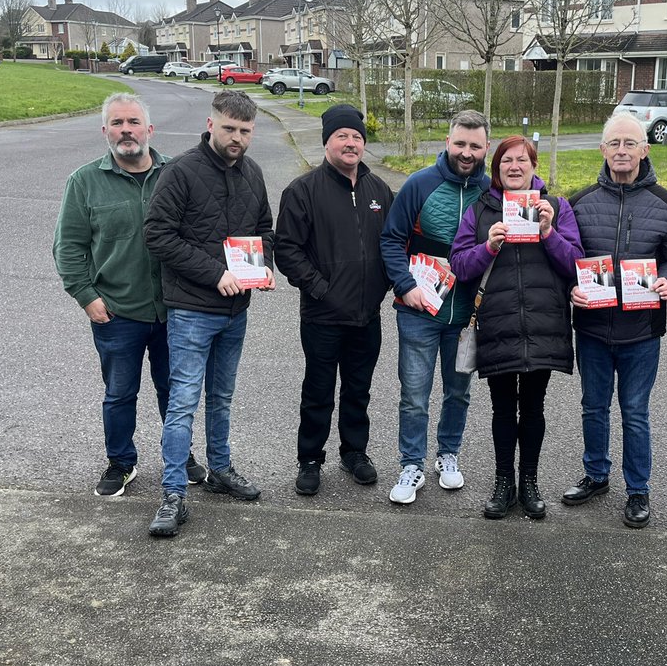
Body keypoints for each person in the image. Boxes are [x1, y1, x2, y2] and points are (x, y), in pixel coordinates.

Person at [53, 92, 206, 497]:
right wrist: (86, 296)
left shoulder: (179, 173)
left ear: (149, 129)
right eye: (117, 123)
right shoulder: (84, 182)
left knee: (177, 392)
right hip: (118, 311)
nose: (126, 130)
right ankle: (121, 462)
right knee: (120, 393)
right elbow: (68, 246)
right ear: (106, 131)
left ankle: (180, 454)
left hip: (177, 309)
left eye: (133, 122)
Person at [143, 90, 275, 538]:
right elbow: (158, 236)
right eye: (229, 129)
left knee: (221, 397)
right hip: (192, 311)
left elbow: (264, 232)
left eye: (245, 131)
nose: (236, 138)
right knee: (183, 402)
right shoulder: (180, 172)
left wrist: (263, 269)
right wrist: (215, 274)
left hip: (236, 310)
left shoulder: (253, 173)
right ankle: (174, 492)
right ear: (211, 123)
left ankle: (220, 469)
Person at [450, 135, 584, 520]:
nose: (514, 166)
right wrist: (487, 247)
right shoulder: (481, 210)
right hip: (499, 323)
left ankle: (529, 481)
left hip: (543, 323)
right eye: (506, 160)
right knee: (503, 408)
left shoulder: (557, 207)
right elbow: (459, 266)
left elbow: (577, 264)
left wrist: (548, 233)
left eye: (521, 160)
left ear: (534, 166)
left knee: (534, 407)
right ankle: (503, 481)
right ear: (497, 169)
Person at [563, 114, 667, 528]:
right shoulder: (578, 203)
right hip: (593, 327)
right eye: (614, 143)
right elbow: (567, 259)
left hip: (642, 330)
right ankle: (596, 475)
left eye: (630, 144)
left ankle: (638, 489)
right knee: (593, 407)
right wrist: (570, 288)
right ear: (602, 150)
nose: (621, 151)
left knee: (635, 411)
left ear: (645, 150)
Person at [273, 104, 393, 496]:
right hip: (322, 315)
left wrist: (383, 287)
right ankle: (310, 459)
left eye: (357, 136)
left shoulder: (379, 191)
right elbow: (287, 250)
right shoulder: (303, 191)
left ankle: (355, 452)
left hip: (366, 315)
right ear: (327, 142)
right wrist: (321, 288)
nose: (350, 143)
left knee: (359, 388)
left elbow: (392, 244)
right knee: (319, 390)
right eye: (342, 136)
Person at [380, 110, 491, 505]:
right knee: (414, 393)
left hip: (467, 315)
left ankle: (448, 455)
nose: (466, 152)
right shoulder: (418, 184)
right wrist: (405, 286)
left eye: (474, 146)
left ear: (485, 149)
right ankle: (411, 464)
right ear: (447, 142)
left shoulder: (492, 193)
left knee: (458, 392)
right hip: (418, 309)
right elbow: (391, 239)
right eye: (459, 143)